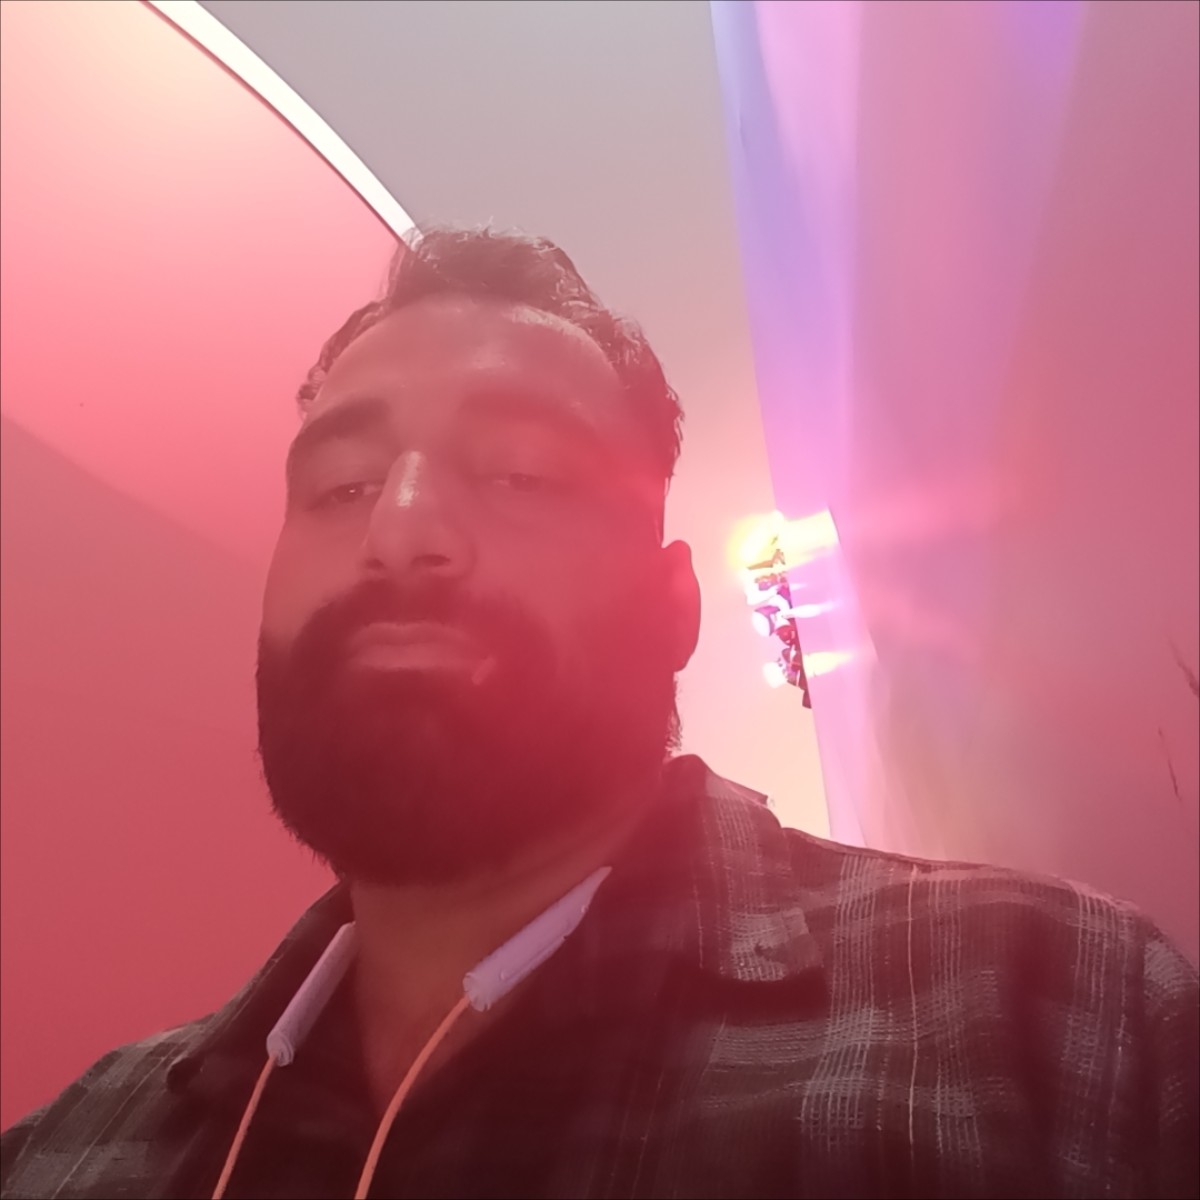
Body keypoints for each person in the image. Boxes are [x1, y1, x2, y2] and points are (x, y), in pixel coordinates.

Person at [1, 227, 1196, 1200]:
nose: (399, 530)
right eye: (342, 484)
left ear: (674, 606)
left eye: (517, 472)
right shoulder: (63, 1158)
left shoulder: (1059, 1029)